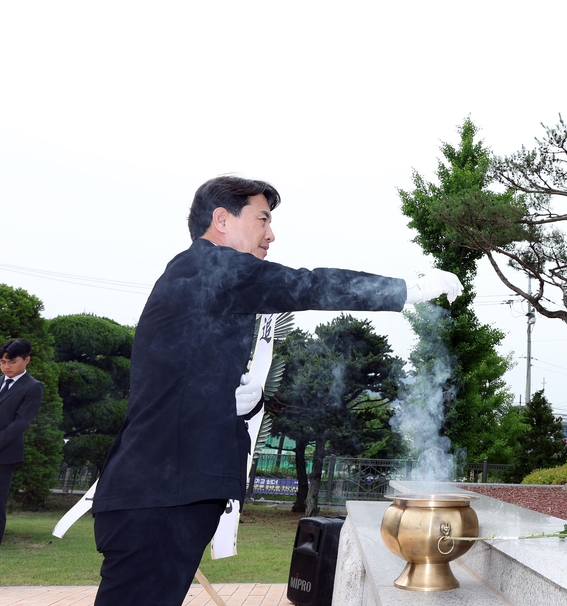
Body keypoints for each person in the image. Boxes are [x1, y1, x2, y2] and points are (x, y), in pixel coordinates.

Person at [90, 176, 462, 606]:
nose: (271, 234)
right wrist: (407, 291)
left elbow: (179, 379)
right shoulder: (212, 266)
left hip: (163, 490)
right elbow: (308, 285)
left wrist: (240, 403)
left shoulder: (199, 278)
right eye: (262, 218)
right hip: (161, 493)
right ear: (222, 220)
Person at [0, 338, 44, 545]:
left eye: (12, 362)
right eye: (2, 362)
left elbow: (21, 423)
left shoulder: (33, 387)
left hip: (4, 454)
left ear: (27, 360)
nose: (6, 367)